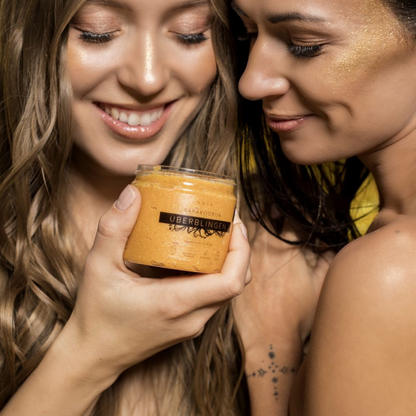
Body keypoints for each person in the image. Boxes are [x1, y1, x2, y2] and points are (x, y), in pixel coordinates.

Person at [0, 0, 251, 415]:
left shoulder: (279, 259)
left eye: (190, 33)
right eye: (97, 32)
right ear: (29, 40)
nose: (148, 78)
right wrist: (92, 352)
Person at [227, 0, 416, 414]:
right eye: (248, 34)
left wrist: (271, 344)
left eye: (304, 44)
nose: (251, 83)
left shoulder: (391, 269)